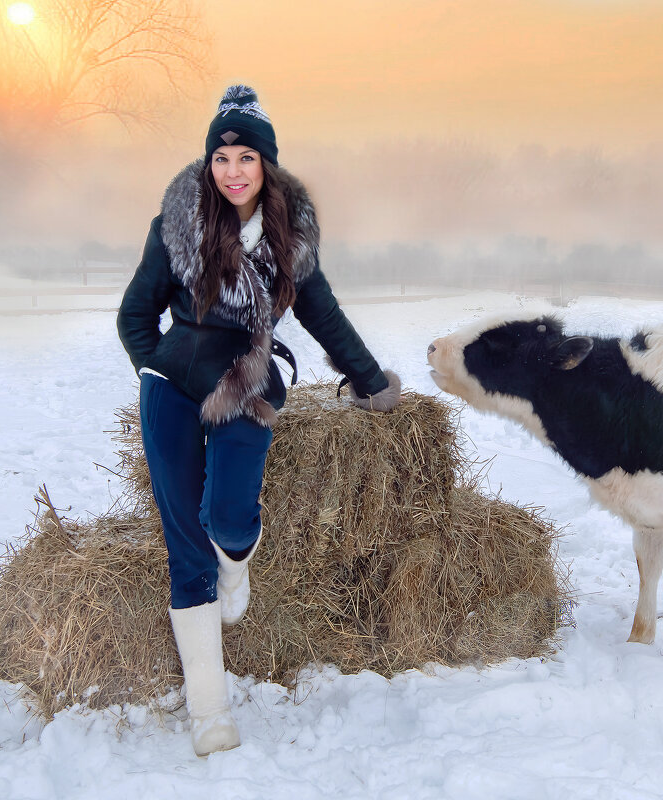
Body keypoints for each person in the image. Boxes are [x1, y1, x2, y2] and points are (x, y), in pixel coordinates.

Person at [117, 84, 401, 757]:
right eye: (222, 156)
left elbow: (321, 311)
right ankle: (209, 714)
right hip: (173, 385)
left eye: (247, 155)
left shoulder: (288, 233)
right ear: (209, 163)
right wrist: (158, 369)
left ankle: (236, 567)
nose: (233, 169)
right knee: (186, 550)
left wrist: (368, 382)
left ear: (265, 164)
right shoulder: (178, 220)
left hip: (249, 377)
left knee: (228, 518)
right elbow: (134, 313)